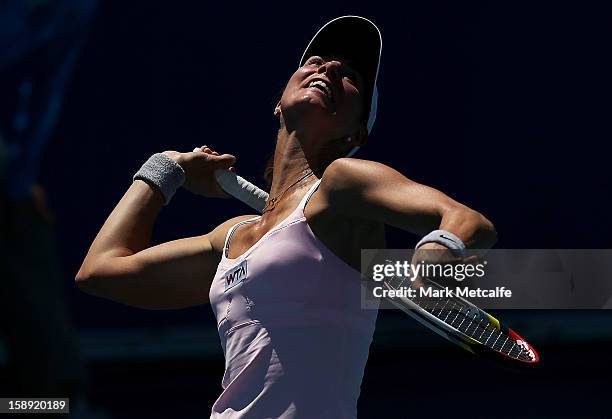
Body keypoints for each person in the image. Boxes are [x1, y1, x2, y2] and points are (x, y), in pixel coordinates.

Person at [75, 16, 497, 418]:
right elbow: (100, 272)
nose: (329, 68)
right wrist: (168, 168)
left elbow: (466, 221)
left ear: (357, 134)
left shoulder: (343, 185)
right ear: (278, 103)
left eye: (350, 75)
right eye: (316, 61)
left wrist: (439, 249)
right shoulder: (231, 238)